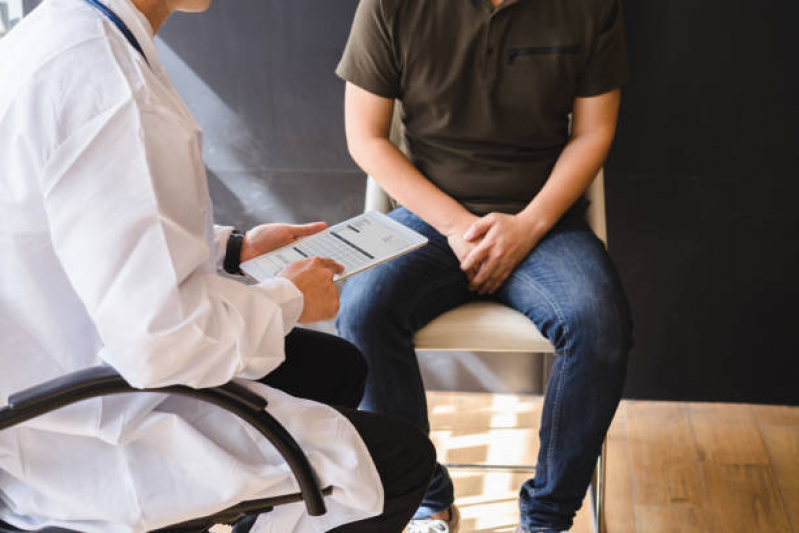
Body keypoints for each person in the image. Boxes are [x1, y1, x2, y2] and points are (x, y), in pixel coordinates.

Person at [0, 0, 436, 531]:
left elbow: (97, 230)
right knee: (400, 465)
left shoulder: (65, 31)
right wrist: (289, 299)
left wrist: (235, 249)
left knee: (336, 368)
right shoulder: (109, 86)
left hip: (51, 382)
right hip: (82, 434)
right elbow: (161, 342)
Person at [335, 0, 634, 531]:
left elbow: (592, 132)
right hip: (429, 215)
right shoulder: (388, 6)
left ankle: (546, 518)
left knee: (599, 324)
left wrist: (528, 226)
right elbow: (367, 136)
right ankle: (426, 499)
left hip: (542, 219)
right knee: (362, 310)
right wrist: (455, 226)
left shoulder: (591, 7)